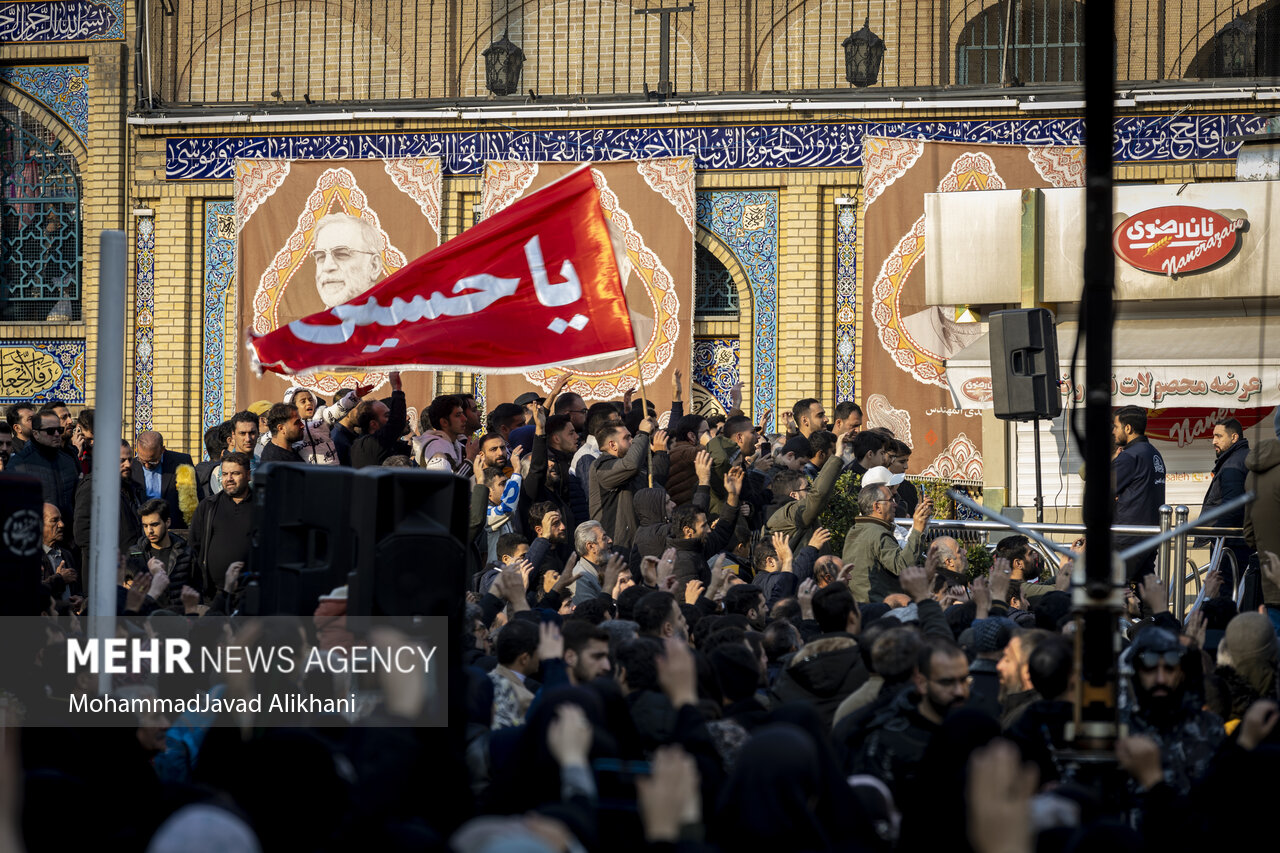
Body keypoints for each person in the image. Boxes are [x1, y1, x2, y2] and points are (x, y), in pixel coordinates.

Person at [847, 637, 970, 798]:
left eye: (964, 680)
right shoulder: (888, 741)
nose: (959, 691)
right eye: (947, 682)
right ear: (921, 682)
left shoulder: (976, 727)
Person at [1121, 626, 1225, 794]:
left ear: (1181, 672)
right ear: (1136, 672)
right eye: (1150, 668)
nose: (1160, 678)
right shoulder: (1119, 730)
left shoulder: (1210, 728)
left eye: (1169, 668)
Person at [589, 418, 668, 550]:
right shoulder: (602, 466)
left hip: (638, 545)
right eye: (627, 438)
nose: (632, 441)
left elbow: (655, 489)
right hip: (616, 547)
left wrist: (660, 454)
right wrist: (642, 434)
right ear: (613, 445)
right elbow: (631, 465)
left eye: (632, 437)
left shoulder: (634, 467)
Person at [844, 484, 932, 603]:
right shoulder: (878, 533)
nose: (895, 504)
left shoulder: (855, 530)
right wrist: (917, 529)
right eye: (891, 500)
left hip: (862, 605)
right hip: (880, 609)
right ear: (877, 506)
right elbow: (903, 566)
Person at [189, 451, 255, 602]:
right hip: (214, 595)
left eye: (235, 473)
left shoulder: (262, 506)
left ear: (248, 475)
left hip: (251, 595)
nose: (229, 479)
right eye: (225, 474)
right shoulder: (208, 506)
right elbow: (194, 547)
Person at [766, 431, 849, 550]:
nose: (810, 492)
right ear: (793, 494)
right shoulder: (790, 514)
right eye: (807, 489)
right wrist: (838, 455)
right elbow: (818, 495)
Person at [1196, 418, 1250, 594]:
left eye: (1219, 436)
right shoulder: (1240, 458)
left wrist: (1217, 537)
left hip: (1231, 546)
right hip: (1239, 544)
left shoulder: (1233, 464)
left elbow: (1231, 507)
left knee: (1224, 597)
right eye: (1213, 436)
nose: (1214, 441)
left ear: (1234, 437)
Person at [1112, 405, 1166, 581]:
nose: (1113, 431)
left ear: (1128, 428)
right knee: (1146, 590)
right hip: (1149, 535)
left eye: (1116, 426)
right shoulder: (1154, 453)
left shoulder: (1129, 456)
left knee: (1114, 590)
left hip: (1127, 538)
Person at [74, 439, 144, 572]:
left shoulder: (132, 487)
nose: (128, 465)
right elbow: (82, 533)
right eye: (121, 461)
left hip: (130, 567)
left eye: (130, 459)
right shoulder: (92, 486)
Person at [9, 408, 79, 524]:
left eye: (59, 430)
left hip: (66, 534)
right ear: (36, 434)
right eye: (50, 431)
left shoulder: (68, 461)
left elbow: (75, 501)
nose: (57, 434)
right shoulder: (19, 463)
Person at [128, 499, 194, 609]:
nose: (150, 531)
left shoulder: (186, 553)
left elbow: (196, 591)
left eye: (154, 524)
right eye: (145, 526)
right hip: (147, 619)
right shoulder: (135, 554)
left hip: (179, 619)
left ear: (167, 522)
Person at [312, 212, 385, 308]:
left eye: (342, 254)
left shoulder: (402, 321)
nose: (327, 266)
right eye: (321, 257)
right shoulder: (304, 323)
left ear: (374, 266)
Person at [132, 430, 197, 528]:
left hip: (174, 530)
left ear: (162, 450)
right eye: (142, 461)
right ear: (137, 449)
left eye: (152, 461)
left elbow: (196, 497)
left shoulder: (181, 462)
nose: (147, 465)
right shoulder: (130, 466)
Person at [283, 385, 360, 465]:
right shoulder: (287, 425)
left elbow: (338, 408)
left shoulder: (321, 414)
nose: (309, 403)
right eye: (303, 401)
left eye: (310, 399)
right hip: (307, 473)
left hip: (331, 468)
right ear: (293, 406)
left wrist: (354, 395)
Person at [350, 371, 407, 469]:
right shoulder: (372, 444)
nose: (390, 420)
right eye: (387, 416)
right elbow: (397, 423)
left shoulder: (362, 443)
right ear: (373, 424)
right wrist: (397, 388)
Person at [208, 411, 259, 495]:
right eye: (242, 433)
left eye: (252, 433)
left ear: (258, 433)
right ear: (233, 435)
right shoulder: (221, 470)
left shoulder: (262, 463)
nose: (248, 439)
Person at [416, 394, 469, 471]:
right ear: (444, 422)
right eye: (458, 415)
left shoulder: (454, 444)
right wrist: (469, 461)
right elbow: (444, 481)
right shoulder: (437, 446)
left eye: (463, 414)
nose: (464, 419)